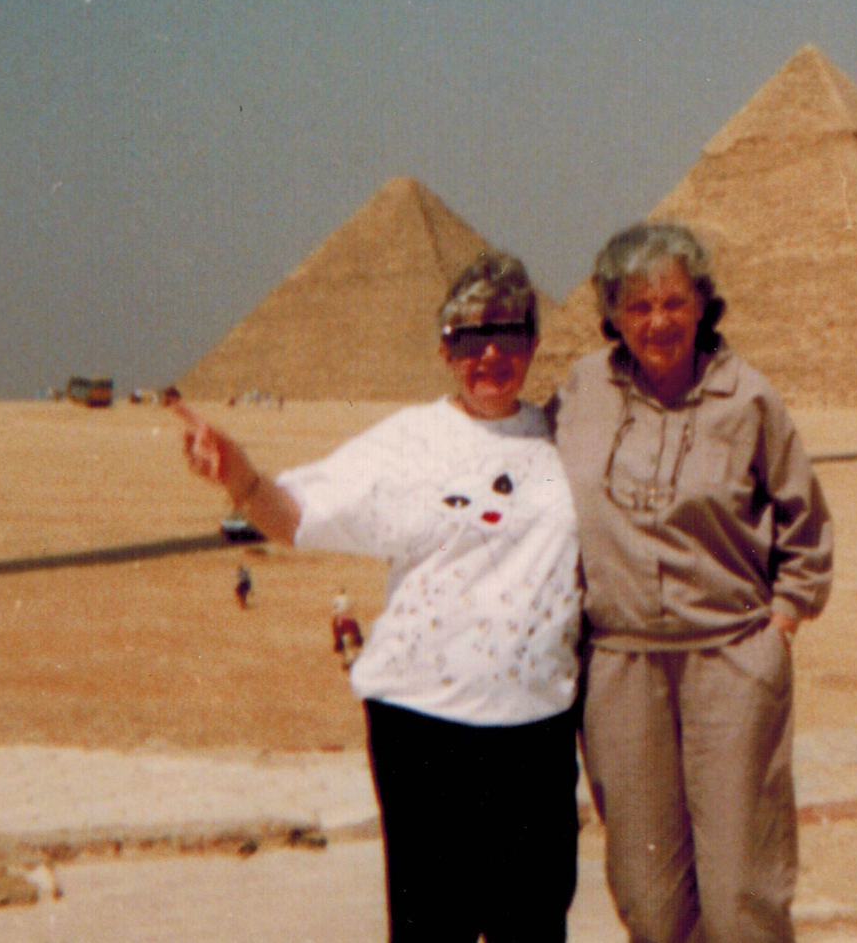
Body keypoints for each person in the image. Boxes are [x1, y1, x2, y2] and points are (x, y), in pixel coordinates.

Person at [176, 252, 582, 943]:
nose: (489, 353)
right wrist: (241, 477)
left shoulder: (568, 436)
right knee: (431, 926)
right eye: (469, 337)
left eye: (509, 333)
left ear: (535, 342)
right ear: (443, 348)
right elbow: (297, 515)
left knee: (533, 926)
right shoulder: (408, 441)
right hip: (423, 724)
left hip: (535, 727)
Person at [554, 221, 833, 943]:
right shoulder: (581, 392)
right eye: (638, 305)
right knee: (648, 893)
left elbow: (804, 516)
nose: (658, 321)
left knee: (742, 886)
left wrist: (784, 619)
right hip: (620, 665)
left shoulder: (748, 398)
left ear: (704, 304)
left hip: (730, 656)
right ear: (613, 312)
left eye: (675, 302)